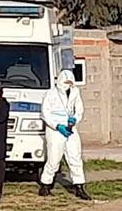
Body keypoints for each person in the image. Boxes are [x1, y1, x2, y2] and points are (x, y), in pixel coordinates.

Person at [39, 69, 92, 201]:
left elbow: (79, 109)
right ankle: (46, 184)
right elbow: (45, 113)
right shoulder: (50, 94)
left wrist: (75, 119)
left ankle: (79, 186)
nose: (67, 84)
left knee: (75, 157)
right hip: (55, 129)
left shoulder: (75, 92)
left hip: (70, 127)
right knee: (54, 158)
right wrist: (57, 126)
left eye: (70, 82)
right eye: (65, 81)